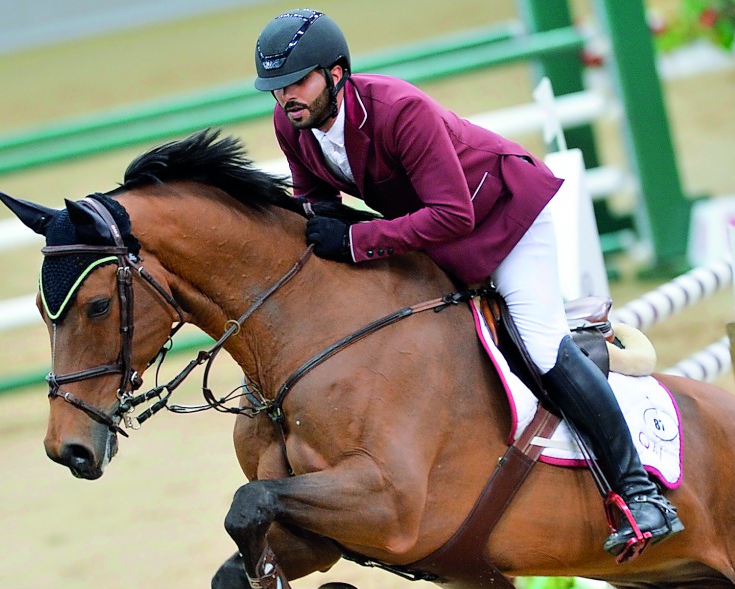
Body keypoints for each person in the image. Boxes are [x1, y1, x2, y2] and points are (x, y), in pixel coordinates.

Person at [252, 8, 683, 560]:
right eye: (276, 89)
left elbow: (453, 214)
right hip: (431, 234)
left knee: (540, 346)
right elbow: (317, 202)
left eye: (297, 82)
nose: (285, 98)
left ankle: (640, 493)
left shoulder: (398, 109)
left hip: (503, 217)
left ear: (336, 74)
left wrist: (359, 240)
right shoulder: (294, 125)